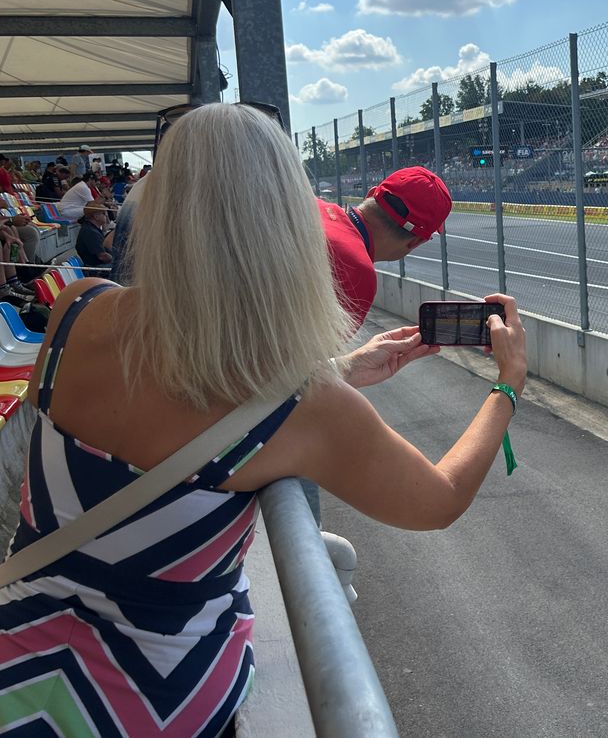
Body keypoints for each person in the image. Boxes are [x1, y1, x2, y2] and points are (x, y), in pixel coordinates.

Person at [0, 104, 528, 734]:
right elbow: (438, 500)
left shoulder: (79, 310)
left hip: (17, 659)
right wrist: (508, 384)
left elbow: (177, 383)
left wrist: (344, 368)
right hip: (162, 702)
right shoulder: (308, 412)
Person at [319, 166, 451, 329]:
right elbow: (310, 354)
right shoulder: (357, 274)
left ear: (371, 194)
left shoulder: (312, 207)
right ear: (415, 242)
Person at [74, 200, 114, 265]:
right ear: (96, 216)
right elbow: (102, 256)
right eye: (103, 213)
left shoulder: (91, 228)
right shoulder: (91, 232)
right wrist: (116, 260)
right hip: (96, 268)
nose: (106, 216)